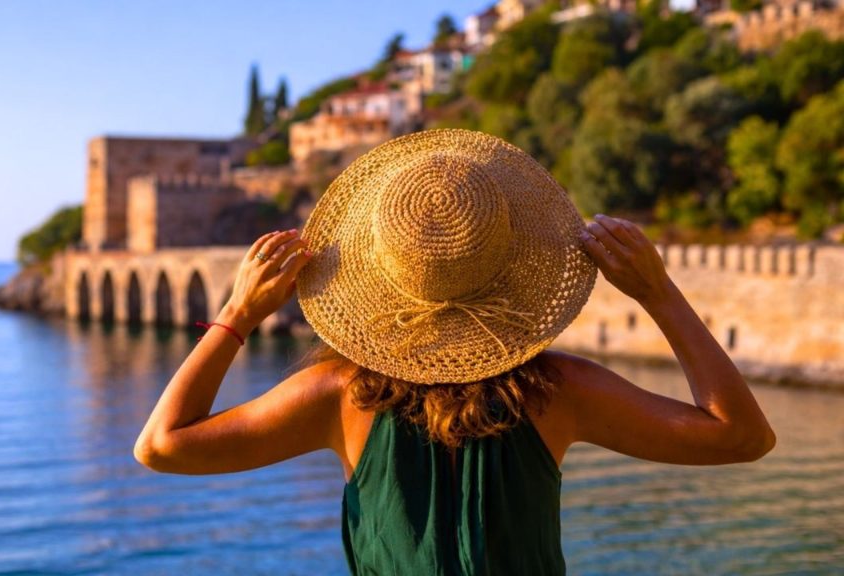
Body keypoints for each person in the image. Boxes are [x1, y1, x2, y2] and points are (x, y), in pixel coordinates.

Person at [133, 129, 776, 575]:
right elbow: (742, 436)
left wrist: (237, 315)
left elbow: (159, 446)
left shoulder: (339, 398)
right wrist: (659, 294)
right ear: (516, 260)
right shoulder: (561, 393)